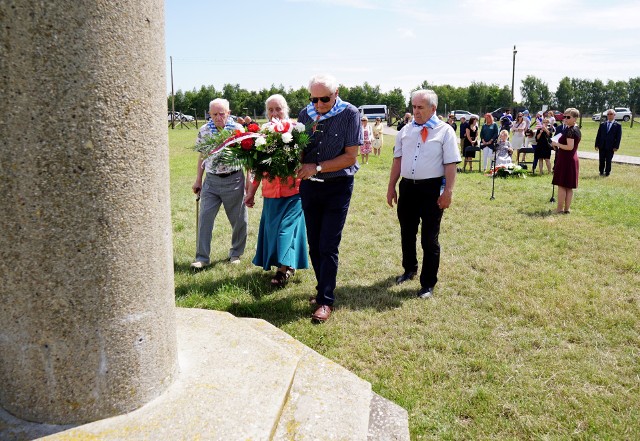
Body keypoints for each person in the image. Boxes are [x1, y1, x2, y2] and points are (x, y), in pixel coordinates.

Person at [296, 74, 361, 323]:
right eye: (314, 99)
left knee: (328, 244)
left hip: (338, 186)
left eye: (325, 99)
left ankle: (325, 301)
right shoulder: (305, 114)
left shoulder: (350, 113)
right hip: (310, 188)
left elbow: (350, 157)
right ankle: (322, 287)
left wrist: (318, 167)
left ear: (336, 93)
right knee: (314, 243)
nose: (319, 104)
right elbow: (300, 150)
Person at [386, 89, 461, 299]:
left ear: (433, 108)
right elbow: (397, 160)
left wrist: (448, 192)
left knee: (429, 238)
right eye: (414, 107)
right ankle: (409, 269)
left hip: (431, 189)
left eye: (420, 107)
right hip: (408, 188)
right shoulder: (405, 131)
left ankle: (428, 283)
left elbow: (451, 164)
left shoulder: (445, 132)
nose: (416, 111)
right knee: (407, 233)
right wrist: (391, 186)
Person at [244, 94, 309, 287]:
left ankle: (283, 270)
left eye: (278, 109)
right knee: (274, 232)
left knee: (285, 231)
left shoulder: (297, 130)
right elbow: (257, 168)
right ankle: (286, 265)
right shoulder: (263, 134)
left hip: (294, 192)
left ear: (286, 109)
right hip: (271, 193)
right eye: (270, 110)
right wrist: (251, 192)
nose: (274, 113)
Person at [191, 98, 248, 269]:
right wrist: (198, 179)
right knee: (205, 219)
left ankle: (236, 253)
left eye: (221, 114)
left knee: (239, 219)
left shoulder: (238, 129)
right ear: (209, 114)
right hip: (212, 181)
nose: (218, 117)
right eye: (214, 114)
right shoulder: (204, 130)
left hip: (234, 179)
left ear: (228, 113)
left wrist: (249, 181)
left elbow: (247, 155)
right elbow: (202, 155)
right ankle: (202, 257)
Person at [551, 108, 581, 214]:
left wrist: (556, 144)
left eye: (568, 117)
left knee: (562, 184)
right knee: (568, 186)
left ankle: (560, 208)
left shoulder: (571, 130)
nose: (565, 119)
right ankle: (567, 209)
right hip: (570, 159)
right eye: (565, 116)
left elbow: (569, 147)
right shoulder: (574, 129)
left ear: (575, 118)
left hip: (566, 160)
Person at [594, 109, 622, 176]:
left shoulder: (618, 125)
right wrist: (596, 144)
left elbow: (618, 137)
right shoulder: (602, 124)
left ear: (614, 115)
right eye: (608, 114)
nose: (609, 115)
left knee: (608, 160)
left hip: (611, 146)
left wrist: (616, 146)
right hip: (602, 145)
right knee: (601, 159)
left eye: (611, 114)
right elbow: (598, 135)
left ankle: (607, 172)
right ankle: (601, 171)